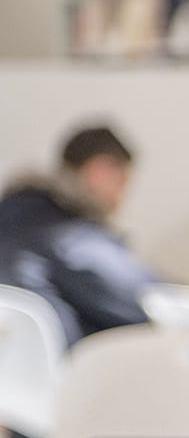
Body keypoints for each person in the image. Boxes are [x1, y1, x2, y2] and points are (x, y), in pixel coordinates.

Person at [0, 124, 154, 345]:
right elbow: (141, 299)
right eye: (122, 182)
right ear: (99, 169)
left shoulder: (15, 212)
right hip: (61, 370)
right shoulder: (68, 233)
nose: (121, 198)